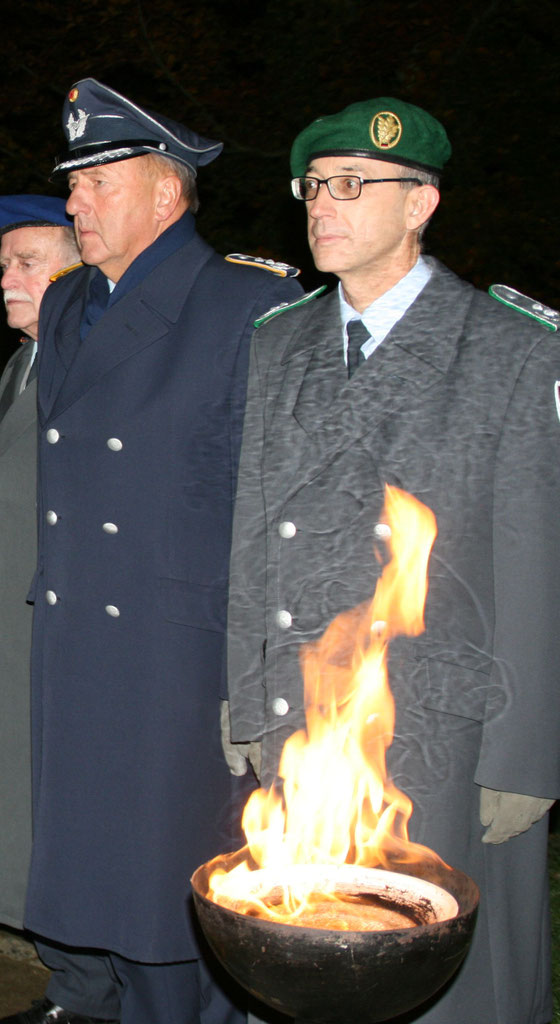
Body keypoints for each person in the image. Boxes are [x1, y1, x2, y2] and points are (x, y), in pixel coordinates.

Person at [226, 98, 559, 1024]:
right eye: (313, 187)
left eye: (351, 185)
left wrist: (527, 755)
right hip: (307, 715)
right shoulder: (278, 341)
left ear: (421, 205)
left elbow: (538, 565)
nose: (321, 205)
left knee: (444, 987)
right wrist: (247, 697)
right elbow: (254, 534)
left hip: (440, 734)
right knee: (309, 963)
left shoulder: (508, 351)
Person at [21, 79, 301, 1024]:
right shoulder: (66, 307)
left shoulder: (245, 308)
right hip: (79, 645)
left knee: (178, 913)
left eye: (100, 180)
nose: (74, 203)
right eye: (74, 181)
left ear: (168, 196)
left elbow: (283, 509)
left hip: (174, 663)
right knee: (106, 898)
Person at [0, 196, 85, 1023]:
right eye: (4, 262)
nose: (8, 278)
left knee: (72, 819)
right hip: (12, 631)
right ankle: (73, 984)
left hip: (63, 641)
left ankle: (93, 995)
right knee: (33, 818)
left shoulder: (88, 368)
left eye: (29, 261)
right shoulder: (25, 363)